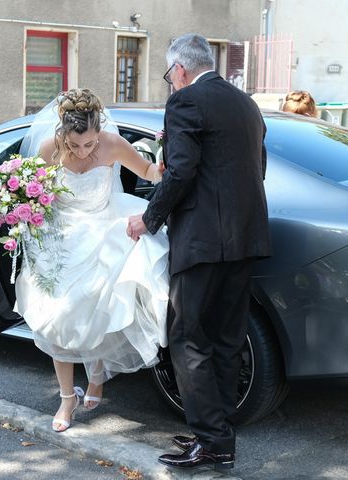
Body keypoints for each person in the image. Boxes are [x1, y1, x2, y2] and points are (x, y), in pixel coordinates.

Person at [127, 34, 271, 471]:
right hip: (246, 238)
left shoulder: (186, 101)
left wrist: (148, 218)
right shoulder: (246, 103)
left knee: (187, 338)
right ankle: (218, 431)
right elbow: (255, 166)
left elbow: (183, 170)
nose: (171, 82)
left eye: (169, 74)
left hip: (204, 241)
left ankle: (212, 443)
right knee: (226, 337)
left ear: (181, 70)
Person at [15, 88, 170, 433]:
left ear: (98, 131)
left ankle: (97, 376)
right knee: (58, 320)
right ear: (62, 134)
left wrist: (165, 165)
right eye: (74, 145)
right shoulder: (48, 150)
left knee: (97, 311)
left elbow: (147, 171)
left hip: (103, 233)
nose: (82, 151)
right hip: (60, 241)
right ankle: (67, 396)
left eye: (89, 144)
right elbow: (28, 190)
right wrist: (14, 206)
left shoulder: (112, 144)